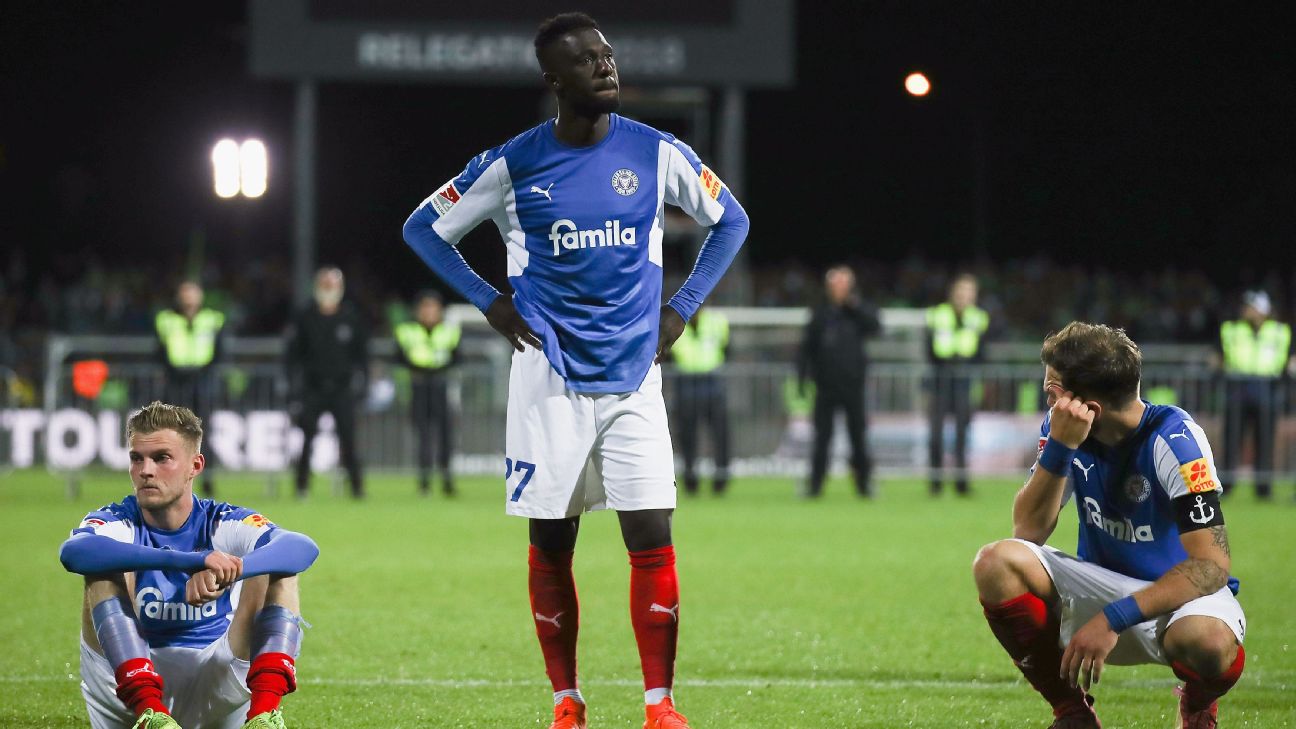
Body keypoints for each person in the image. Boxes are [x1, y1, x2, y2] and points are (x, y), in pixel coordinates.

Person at [402, 13, 749, 729]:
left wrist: (682, 308)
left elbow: (731, 220)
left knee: (652, 535)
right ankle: (567, 700)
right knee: (552, 544)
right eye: (586, 59)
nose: (605, 65)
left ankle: (660, 705)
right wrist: (489, 301)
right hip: (547, 379)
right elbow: (423, 227)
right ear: (554, 80)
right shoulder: (513, 163)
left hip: (634, 377)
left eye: (607, 54)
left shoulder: (656, 152)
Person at [972, 322, 1245, 729]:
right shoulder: (1062, 429)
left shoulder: (1176, 439)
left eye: (1052, 392)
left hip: (1179, 600)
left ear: (1091, 407)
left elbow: (1211, 567)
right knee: (995, 563)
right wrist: (1060, 447)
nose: (1048, 402)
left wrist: (1113, 618)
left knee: (1209, 643)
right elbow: (1028, 532)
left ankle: (1199, 703)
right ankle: (1072, 714)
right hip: (1101, 586)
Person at [59, 401, 319, 729]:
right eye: (137, 458)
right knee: (102, 570)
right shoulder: (118, 519)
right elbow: (75, 553)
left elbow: (301, 548)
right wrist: (191, 560)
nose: (145, 471)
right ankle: (150, 713)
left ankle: (263, 715)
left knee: (278, 570)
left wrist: (230, 570)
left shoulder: (220, 519)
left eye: (161, 458)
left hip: (215, 681)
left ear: (195, 465)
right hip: (128, 688)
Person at [797, 265, 880, 498]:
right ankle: (815, 486)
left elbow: (875, 327)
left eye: (844, 284)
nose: (840, 289)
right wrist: (802, 379)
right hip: (825, 386)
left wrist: (854, 306)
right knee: (822, 438)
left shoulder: (858, 310)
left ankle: (864, 484)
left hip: (853, 385)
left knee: (858, 437)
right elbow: (806, 349)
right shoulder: (820, 313)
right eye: (836, 284)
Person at [285, 267, 368, 499]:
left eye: (332, 286)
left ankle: (357, 488)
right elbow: (293, 355)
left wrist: (363, 383)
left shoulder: (351, 318)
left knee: (348, 438)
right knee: (307, 437)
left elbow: (362, 355)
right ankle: (302, 486)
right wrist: (293, 385)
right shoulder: (305, 317)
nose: (328, 290)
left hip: (342, 388)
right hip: (313, 387)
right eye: (325, 285)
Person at [1215, 290, 1291, 500]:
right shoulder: (1231, 329)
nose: (1247, 310)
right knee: (1232, 438)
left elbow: (1289, 357)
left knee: (1265, 440)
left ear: (1263, 310)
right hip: (1237, 387)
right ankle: (1227, 484)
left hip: (1267, 388)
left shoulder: (1279, 331)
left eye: (1251, 306)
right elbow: (1218, 355)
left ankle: (1263, 488)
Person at [155, 281, 225, 497]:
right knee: (173, 433)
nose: (189, 299)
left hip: (202, 381)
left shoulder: (212, 319)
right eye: (186, 294)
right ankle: (171, 480)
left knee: (202, 433)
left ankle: (207, 480)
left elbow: (219, 351)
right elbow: (159, 351)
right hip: (175, 381)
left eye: (193, 294)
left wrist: (205, 372)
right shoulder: (166, 319)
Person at [925, 273, 990, 496]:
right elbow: (929, 348)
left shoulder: (979, 318)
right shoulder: (937, 314)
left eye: (969, 292)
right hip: (940, 378)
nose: (964, 296)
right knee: (936, 433)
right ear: (952, 293)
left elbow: (982, 351)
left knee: (963, 434)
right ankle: (935, 483)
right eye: (961, 291)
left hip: (964, 380)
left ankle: (961, 482)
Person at [393, 289, 461, 496]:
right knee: (423, 436)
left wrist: (440, 368)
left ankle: (447, 481)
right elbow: (398, 358)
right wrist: (418, 369)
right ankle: (424, 483)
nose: (429, 311)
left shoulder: (449, 330)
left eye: (433, 307)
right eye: (426, 307)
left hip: (440, 386)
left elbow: (458, 357)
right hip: (419, 387)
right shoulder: (406, 330)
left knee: (445, 436)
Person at [667, 303, 731, 495]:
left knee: (720, 433)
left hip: (711, 381)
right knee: (687, 434)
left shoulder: (716, 321)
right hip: (686, 381)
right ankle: (690, 477)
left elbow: (727, 348)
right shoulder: (675, 322)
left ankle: (721, 476)